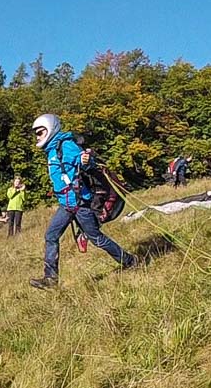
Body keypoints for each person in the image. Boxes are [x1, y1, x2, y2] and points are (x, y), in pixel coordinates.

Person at [28, 113, 136, 290]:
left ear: (50, 129)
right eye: (36, 134)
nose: (37, 137)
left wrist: (85, 160)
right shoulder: (51, 150)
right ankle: (51, 279)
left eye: (40, 132)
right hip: (66, 205)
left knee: (97, 239)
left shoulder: (66, 145)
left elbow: (85, 161)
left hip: (80, 204)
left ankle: (129, 260)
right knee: (51, 236)